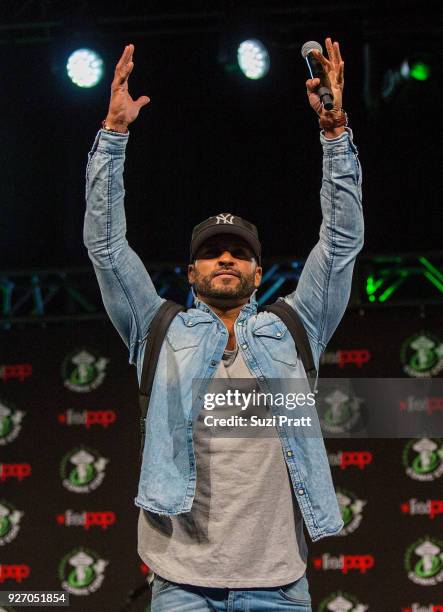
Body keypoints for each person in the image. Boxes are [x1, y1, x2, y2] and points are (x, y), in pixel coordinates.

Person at [84, 38, 363, 612]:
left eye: (239, 251)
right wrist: (112, 137)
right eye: (213, 253)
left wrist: (336, 137)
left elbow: (339, 244)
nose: (227, 259)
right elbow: (106, 247)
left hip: (279, 583)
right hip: (182, 583)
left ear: (260, 271)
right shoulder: (156, 327)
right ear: (191, 271)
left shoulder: (296, 325)